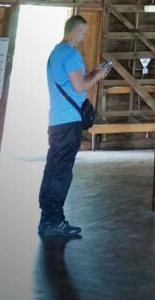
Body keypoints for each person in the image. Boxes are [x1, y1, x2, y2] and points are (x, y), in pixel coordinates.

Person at [38, 14, 109, 238]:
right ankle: (54, 220)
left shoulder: (55, 53)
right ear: (76, 30)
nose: (84, 37)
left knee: (53, 169)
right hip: (69, 122)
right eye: (84, 32)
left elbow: (72, 83)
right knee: (61, 172)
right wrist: (98, 75)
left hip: (57, 120)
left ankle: (47, 217)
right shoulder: (71, 53)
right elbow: (80, 87)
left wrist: (92, 73)